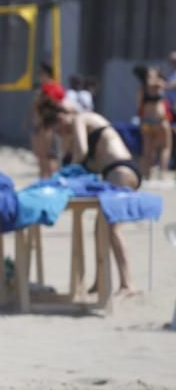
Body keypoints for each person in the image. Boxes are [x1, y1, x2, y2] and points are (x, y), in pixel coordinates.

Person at [37, 97, 140, 294]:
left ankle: (127, 283)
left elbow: (81, 153)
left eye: (60, 130)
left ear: (61, 117)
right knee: (101, 228)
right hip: (120, 171)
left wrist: (66, 174)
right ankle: (100, 281)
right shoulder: (86, 126)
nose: (62, 134)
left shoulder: (80, 118)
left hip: (120, 171)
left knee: (111, 227)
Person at [135, 66, 172, 180]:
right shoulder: (159, 84)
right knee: (165, 147)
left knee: (148, 149)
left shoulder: (143, 88)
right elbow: (169, 85)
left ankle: (147, 174)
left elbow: (139, 105)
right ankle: (162, 173)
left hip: (146, 121)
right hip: (160, 121)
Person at [30, 63, 64, 179]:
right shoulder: (42, 89)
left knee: (50, 155)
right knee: (40, 155)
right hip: (41, 124)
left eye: (41, 73)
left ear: (47, 74)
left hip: (50, 124)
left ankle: (50, 179)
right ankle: (43, 178)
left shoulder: (53, 88)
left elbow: (57, 104)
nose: (39, 76)